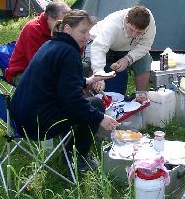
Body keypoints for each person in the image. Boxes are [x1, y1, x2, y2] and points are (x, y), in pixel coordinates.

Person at [10, 10, 119, 173]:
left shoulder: (51, 44)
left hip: (19, 117)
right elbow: (71, 99)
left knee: (85, 106)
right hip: (37, 124)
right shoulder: (69, 53)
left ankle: (70, 149)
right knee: (95, 104)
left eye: (89, 31)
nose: (87, 36)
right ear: (67, 29)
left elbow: (57, 82)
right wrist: (99, 117)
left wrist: (88, 80)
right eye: (83, 31)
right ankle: (76, 157)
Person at [88, 6, 156, 92]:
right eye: (131, 30)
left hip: (128, 48)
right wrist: (98, 73)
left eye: (139, 33)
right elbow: (99, 47)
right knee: (89, 63)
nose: (134, 35)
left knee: (145, 60)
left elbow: (145, 45)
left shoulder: (149, 22)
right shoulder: (113, 24)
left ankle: (141, 95)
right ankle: (88, 98)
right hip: (99, 42)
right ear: (126, 20)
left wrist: (128, 59)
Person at [5, 1, 71, 84]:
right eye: (61, 22)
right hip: (24, 72)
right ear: (50, 19)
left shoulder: (62, 29)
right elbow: (38, 65)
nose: (64, 26)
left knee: (83, 68)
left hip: (52, 68)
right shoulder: (33, 29)